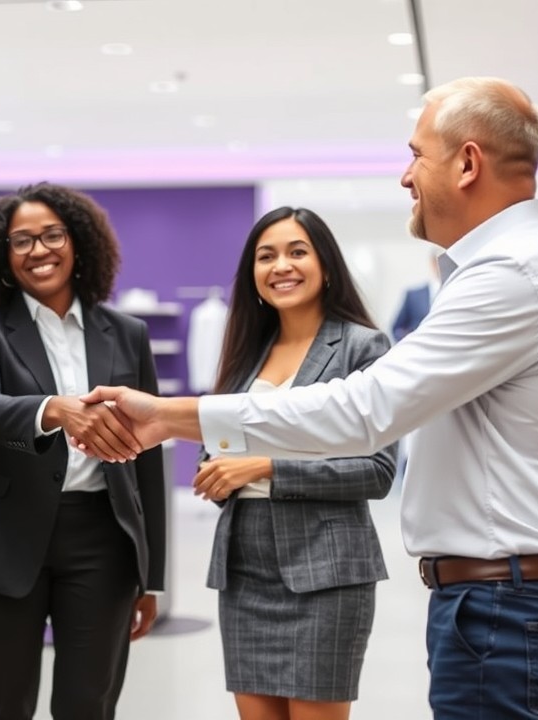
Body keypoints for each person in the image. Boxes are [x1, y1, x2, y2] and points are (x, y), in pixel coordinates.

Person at [79, 77, 538, 719]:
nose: (405, 177)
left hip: (503, 603)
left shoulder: (512, 275)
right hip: (491, 601)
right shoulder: (504, 270)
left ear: (467, 163)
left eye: (416, 154)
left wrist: (168, 416)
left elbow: (365, 412)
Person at [0, 182, 167, 720]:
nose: (39, 250)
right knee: (4, 703)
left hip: (102, 537)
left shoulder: (126, 332)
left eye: (52, 235)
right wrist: (55, 409)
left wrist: (152, 576)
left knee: (87, 703)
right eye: (21, 240)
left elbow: (149, 459)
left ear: (78, 242)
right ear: (2, 255)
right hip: (6, 534)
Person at [197, 206, 395, 720]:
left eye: (297, 251)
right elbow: (213, 449)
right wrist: (215, 473)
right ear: (253, 275)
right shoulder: (245, 353)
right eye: (266, 256)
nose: (281, 265)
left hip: (326, 571)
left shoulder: (362, 347)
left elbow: (377, 470)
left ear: (325, 265)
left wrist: (265, 467)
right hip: (244, 569)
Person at [389, 252, 440, 342]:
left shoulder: (457, 291)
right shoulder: (413, 295)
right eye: (438, 261)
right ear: (432, 263)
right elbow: (397, 328)